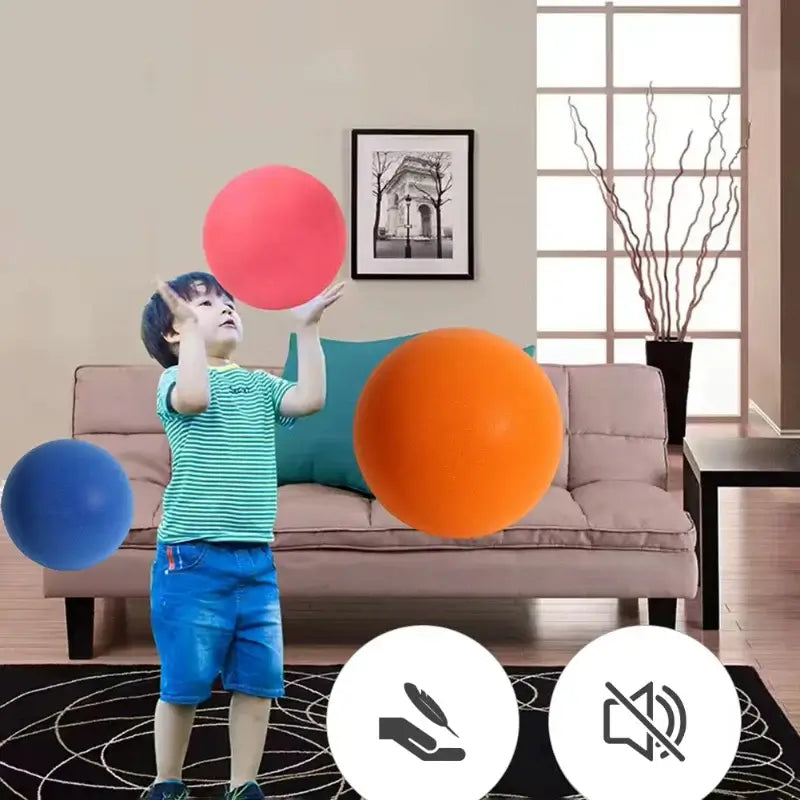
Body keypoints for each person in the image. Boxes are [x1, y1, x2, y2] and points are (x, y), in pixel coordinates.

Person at [139, 271, 343, 800]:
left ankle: (243, 784)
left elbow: (309, 400)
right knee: (184, 684)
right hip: (191, 561)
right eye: (205, 304)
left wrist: (309, 329)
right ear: (174, 335)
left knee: (257, 683)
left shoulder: (257, 385)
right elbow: (195, 399)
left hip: (255, 564)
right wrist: (190, 338)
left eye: (229, 302)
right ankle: (168, 783)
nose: (226, 308)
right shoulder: (173, 382)